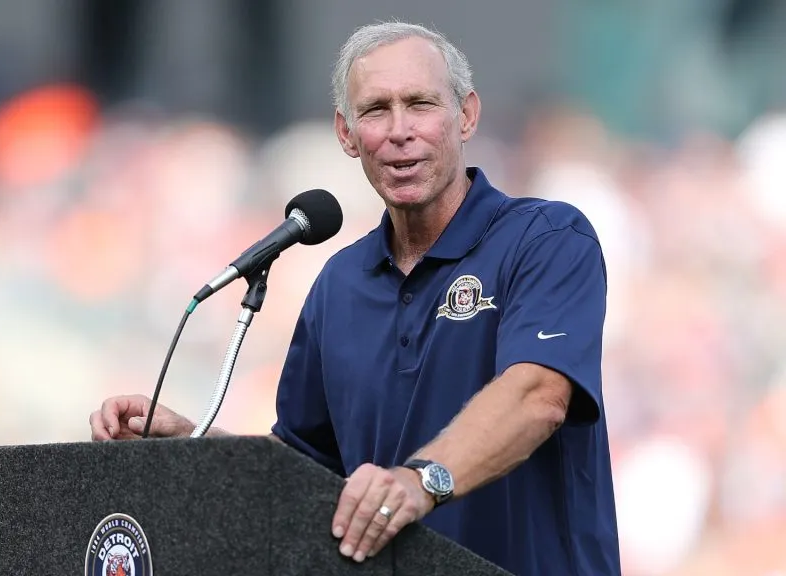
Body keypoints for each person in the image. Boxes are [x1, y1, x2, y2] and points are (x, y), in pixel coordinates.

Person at [90, 21, 621, 575]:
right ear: (346, 134)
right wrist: (196, 447)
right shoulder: (339, 283)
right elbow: (307, 478)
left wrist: (421, 482)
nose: (399, 131)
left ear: (465, 115)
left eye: (420, 104)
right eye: (375, 111)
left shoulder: (547, 237)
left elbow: (538, 396)